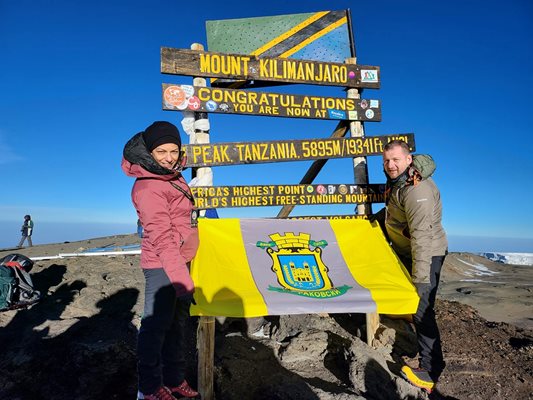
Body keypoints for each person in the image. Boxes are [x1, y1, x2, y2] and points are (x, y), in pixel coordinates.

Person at [122, 121, 200, 400]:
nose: (169, 157)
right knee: (155, 328)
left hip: (181, 261)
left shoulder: (172, 176)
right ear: (149, 153)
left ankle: (174, 379)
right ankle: (150, 388)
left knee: (176, 326)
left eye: (174, 150)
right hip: (162, 266)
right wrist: (182, 282)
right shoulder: (148, 187)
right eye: (161, 151)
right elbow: (163, 239)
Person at [377, 140, 448, 393]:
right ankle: (426, 358)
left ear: (408, 160)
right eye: (386, 161)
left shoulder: (417, 190)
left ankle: (430, 371)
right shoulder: (400, 182)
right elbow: (396, 214)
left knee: (422, 309)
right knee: (416, 309)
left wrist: (420, 279)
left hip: (427, 254)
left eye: (395, 159)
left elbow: (421, 236)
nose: (390, 165)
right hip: (410, 250)